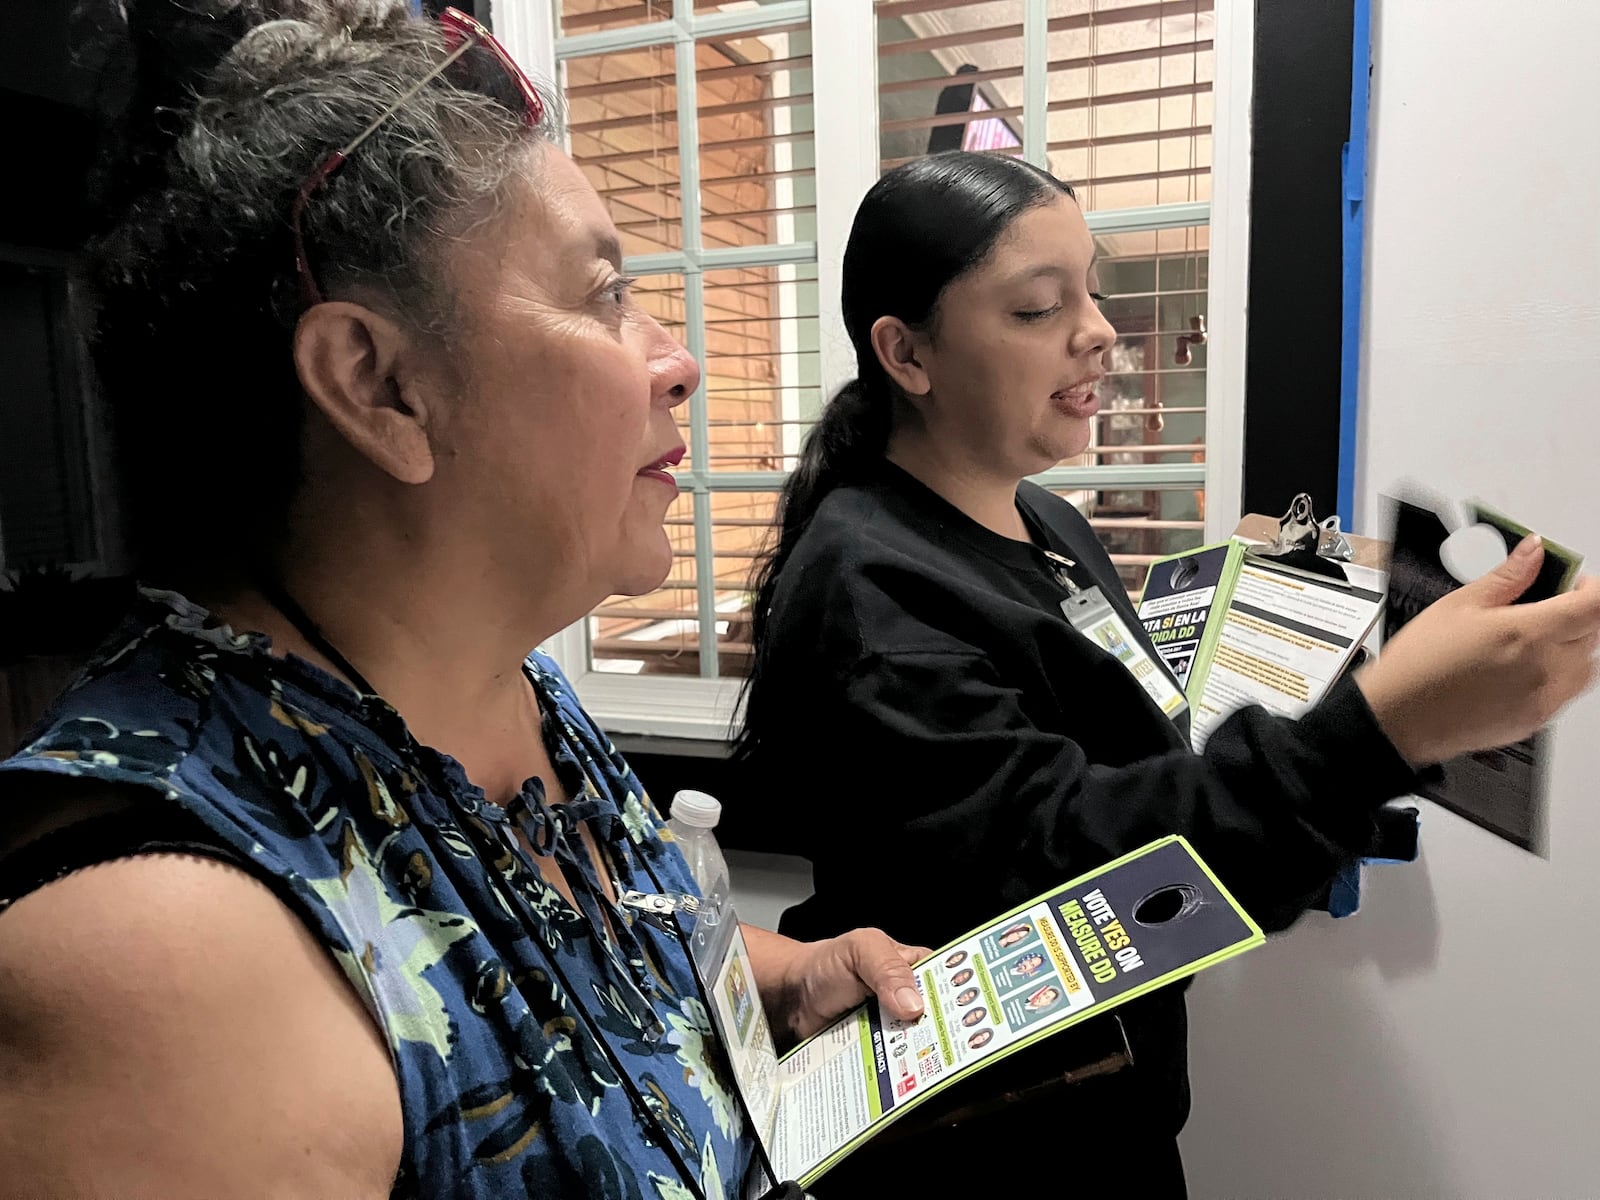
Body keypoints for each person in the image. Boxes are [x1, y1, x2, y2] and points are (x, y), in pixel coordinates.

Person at [0, 4, 929, 1197]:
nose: (675, 356)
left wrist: (776, 973)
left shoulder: (510, 685)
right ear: (380, 384)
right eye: (602, 293)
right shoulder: (165, 969)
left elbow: (571, 958)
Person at [734, 151, 1600, 1192]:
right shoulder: (870, 595)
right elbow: (1096, 892)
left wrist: (1270, 619)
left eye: (1090, 287)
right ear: (905, 353)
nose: (1098, 329)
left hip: (1112, 1103)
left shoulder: (1040, 515)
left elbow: (1108, 731)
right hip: (988, 1144)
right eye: (1037, 309)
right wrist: (1381, 729)